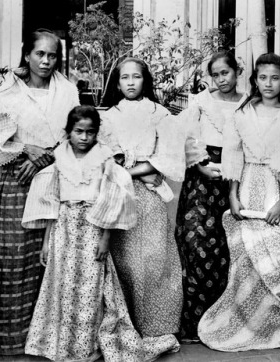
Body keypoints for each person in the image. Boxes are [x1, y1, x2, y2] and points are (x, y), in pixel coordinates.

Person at [198, 53, 280, 352]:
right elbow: (233, 154)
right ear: (254, 80)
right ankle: (245, 323)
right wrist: (232, 194)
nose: (269, 84)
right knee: (246, 257)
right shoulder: (242, 113)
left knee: (276, 260)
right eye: (263, 78)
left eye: (275, 78)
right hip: (248, 186)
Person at [0, 28, 79, 355]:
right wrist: (25, 149)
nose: (46, 61)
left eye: (52, 55)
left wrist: (44, 157)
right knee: (10, 257)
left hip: (53, 182)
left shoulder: (68, 92)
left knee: (46, 260)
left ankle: (43, 341)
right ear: (27, 55)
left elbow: (74, 138)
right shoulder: (9, 93)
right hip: (15, 183)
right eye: (40, 54)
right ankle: (7, 341)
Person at [21, 105, 146, 361]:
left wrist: (105, 237)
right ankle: (60, 344)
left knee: (90, 287)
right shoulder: (59, 160)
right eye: (79, 131)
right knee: (62, 287)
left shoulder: (105, 161)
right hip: (63, 229)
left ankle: (86, 346)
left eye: (90, 132)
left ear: (96, 133)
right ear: (68, 132)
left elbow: (111, 201)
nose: (84, 137)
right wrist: (47, 241)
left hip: (92, 227)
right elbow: (52, 202)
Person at [102, 57, 185, 360]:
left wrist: (136, 170)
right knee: (123, 260)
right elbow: (105, 157)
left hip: (149, 196)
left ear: (145, 80)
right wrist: (132, 169)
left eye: (136, 77)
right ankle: (125, 325)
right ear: (118, 82)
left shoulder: (160, 114)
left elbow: (169, 158)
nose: (131, 82)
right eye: (125, 77)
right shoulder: (109, 116)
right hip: (117, 194)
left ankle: (156, 326)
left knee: (153, 258)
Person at [174, 51, 248, 343]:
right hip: (203, 178)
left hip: (236, 176)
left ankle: (223, 322)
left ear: (237, 71)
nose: (221, 79)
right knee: (198, 242)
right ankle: (193, 323)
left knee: (229, 248)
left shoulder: (247, 102)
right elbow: (183, 135)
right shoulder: (201, 102)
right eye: (216, 74)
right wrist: (201, 163)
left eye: (226, 73)